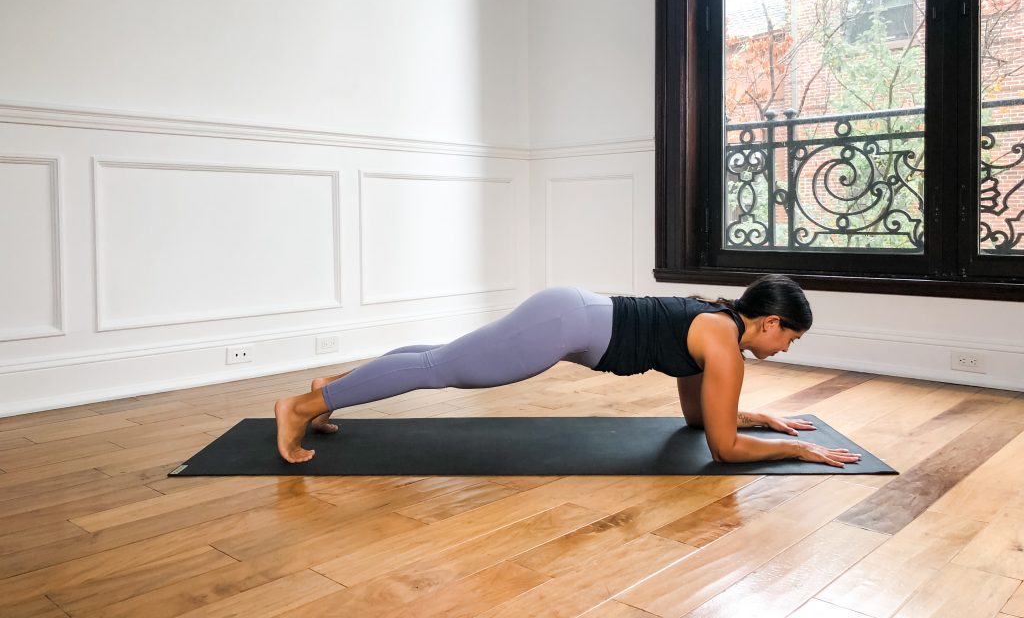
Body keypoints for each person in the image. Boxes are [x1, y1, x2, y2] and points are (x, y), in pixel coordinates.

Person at [274, 275, 861, 468]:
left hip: (570, 312)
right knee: (443, 367)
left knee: (444, 357)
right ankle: (299, 409)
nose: (787, 349)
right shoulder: (727, 346)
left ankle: (330, 390)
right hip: (564, 325)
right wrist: (799, 453)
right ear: (769, 322)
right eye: (791, 336)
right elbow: (725, 449)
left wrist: (758, 417)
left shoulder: (717, 323)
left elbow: (698, 420)